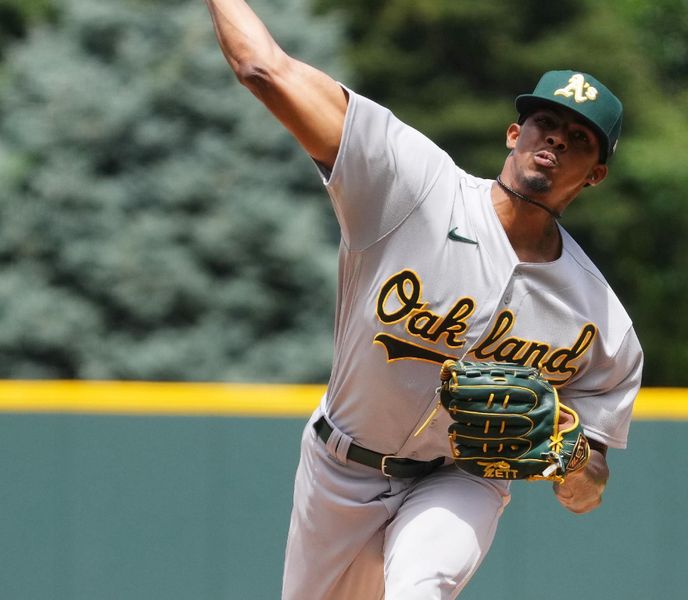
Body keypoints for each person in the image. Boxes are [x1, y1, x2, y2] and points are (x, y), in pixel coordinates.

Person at [205, 2, 643, 598]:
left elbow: (589, 490)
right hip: (340, 467)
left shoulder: (603, 324)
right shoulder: (414, 187)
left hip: (459, 479)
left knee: (421, 584)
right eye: (547, 124)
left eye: (579, 139)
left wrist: (567, 454)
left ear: (595, 175)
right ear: (515, 133)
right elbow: (263, 68)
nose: (556, 142)